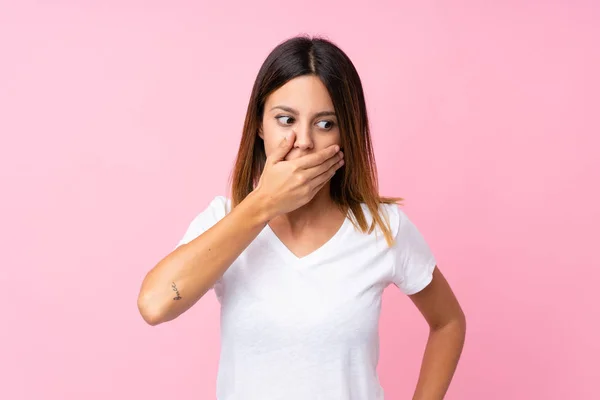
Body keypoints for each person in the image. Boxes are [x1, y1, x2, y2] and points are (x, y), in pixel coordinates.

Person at [137, 35, 466, 400]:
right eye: (285, 119)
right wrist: (263, 203)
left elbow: (448, 323)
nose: (304, 141)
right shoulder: (224, 219)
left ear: (347, 134)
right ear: (260, 126)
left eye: (325, 124)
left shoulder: (381, 227)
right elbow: (154, 305)